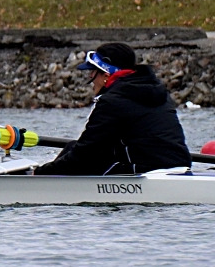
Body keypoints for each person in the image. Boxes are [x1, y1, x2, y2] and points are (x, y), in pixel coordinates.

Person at [33, 42, 191, 175]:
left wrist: (40, 173)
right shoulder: (159, 93)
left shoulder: (112, 102)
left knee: (78, 153)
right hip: (181, 167)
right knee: (72, 147)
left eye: (93, 71)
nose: (90, 77)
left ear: (106, 74)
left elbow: (85, 153)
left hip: (145, 173)